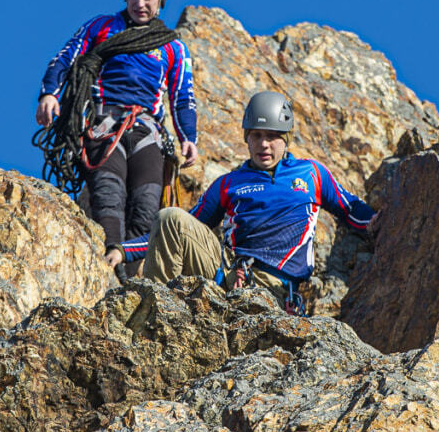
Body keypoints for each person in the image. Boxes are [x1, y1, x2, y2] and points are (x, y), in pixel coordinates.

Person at [106, 90, 375, 314]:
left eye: (272, 135)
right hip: (230, 275)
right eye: (256, 135)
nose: (264, 144)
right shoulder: (230, 183)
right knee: (170, 217)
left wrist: (377, 223)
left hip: (278, 291)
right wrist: (123, 250)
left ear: (286, 138)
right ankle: (160, 314)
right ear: (247, 137)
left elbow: (350, 208)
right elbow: (176, 228)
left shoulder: (311, 174)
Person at [35, 0, 199, 256]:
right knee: (109, 194)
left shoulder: (173, 47)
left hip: (148, 131)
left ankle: (130, 267)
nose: (140, 3)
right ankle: (109, 255)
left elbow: (182, 97)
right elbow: (65, 59)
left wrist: (188, 138)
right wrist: (49, 94)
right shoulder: (101, 28)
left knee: (147, 204)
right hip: (104, 124)